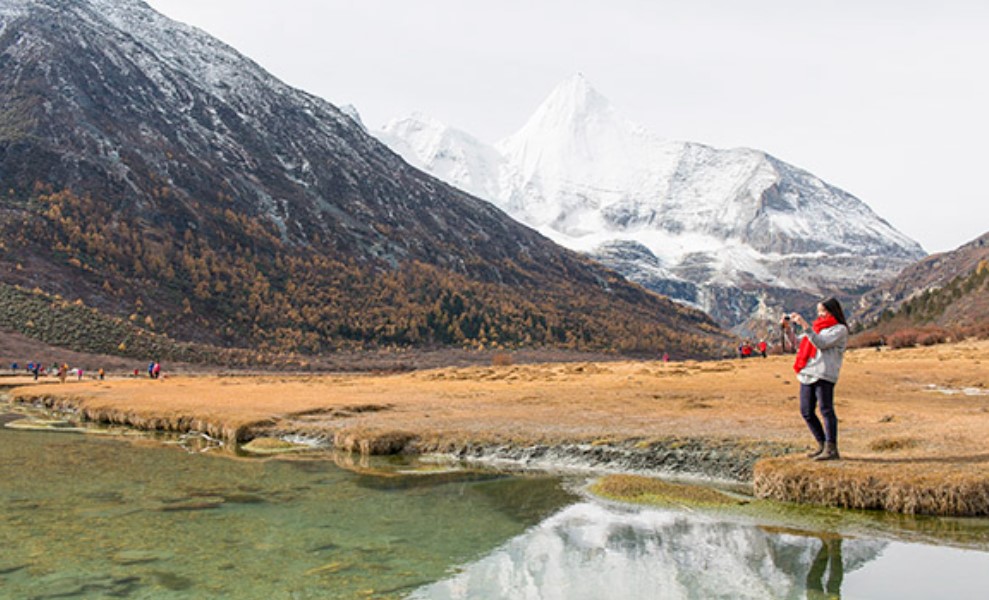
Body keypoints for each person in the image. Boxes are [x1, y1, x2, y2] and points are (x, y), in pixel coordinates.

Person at [790, 298, 849, 461]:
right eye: (819, 312)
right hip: (808, 372)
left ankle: (831, 448)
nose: (820, 315)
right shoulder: (817, 328)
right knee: (806, 411)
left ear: (832, 311)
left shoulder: (839, 329)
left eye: (823, 311)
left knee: (826, 409)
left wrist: (805, 325)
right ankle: (822, 444)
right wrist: (788, 328)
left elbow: (821, 343)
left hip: (824, 373)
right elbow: (798, 343)